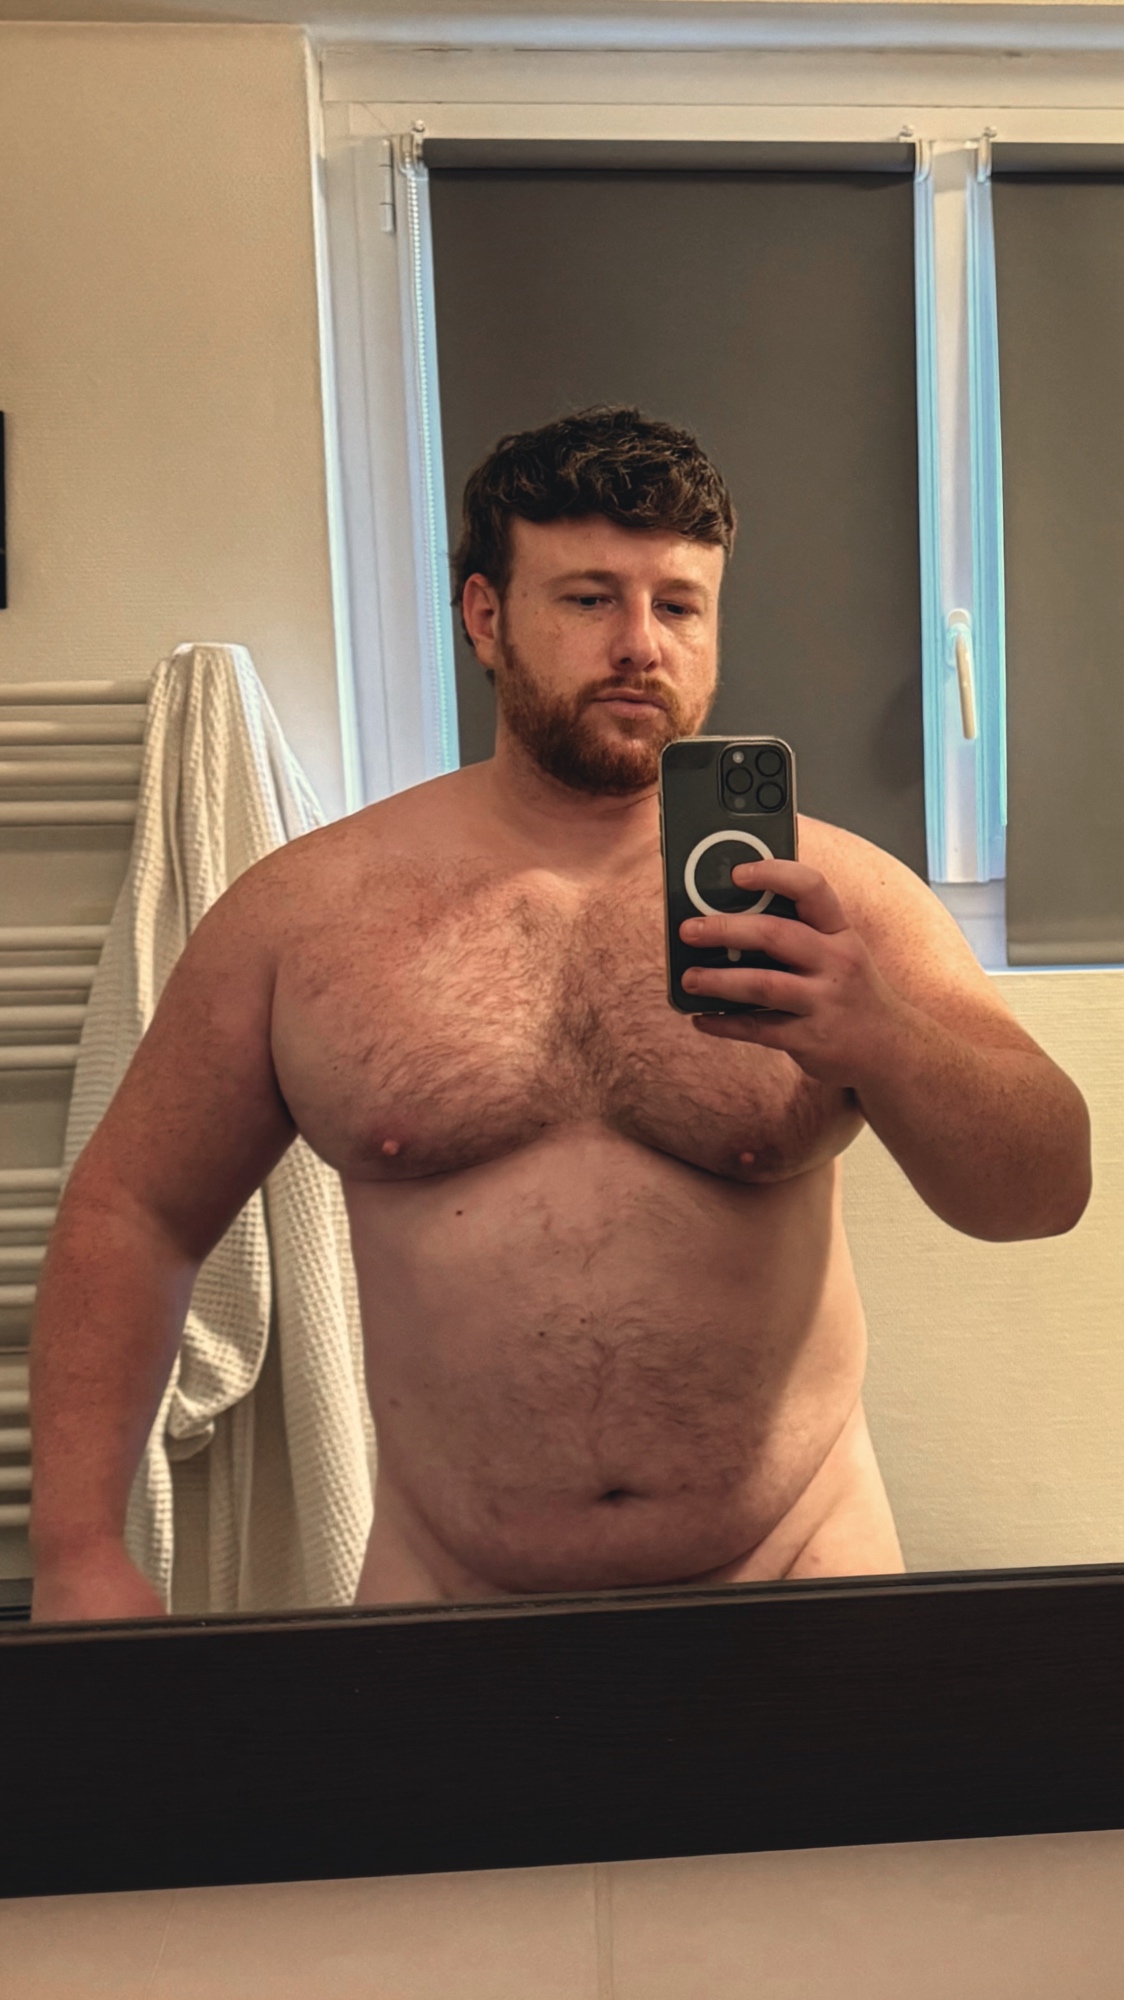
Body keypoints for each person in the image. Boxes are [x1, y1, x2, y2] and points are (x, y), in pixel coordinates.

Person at [28, 406, 1091, 1620]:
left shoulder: (839, 896)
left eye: (678, 605)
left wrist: (883, 1039)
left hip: (798, 1575)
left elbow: (1040, 1191)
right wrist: (78, 1548)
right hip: (449, 1596)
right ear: (485, 616)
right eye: (589, 598)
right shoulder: (308, 912)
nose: (640, 644)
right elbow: (134, 1212)